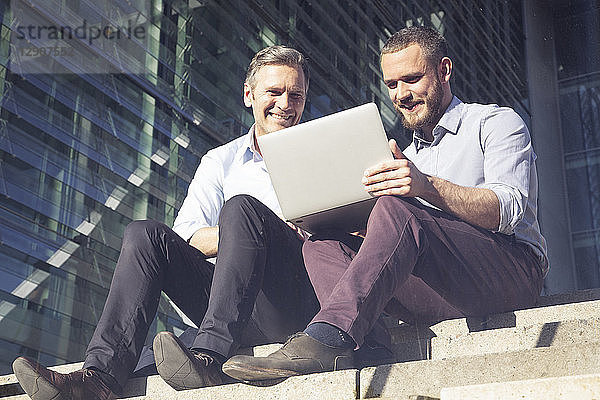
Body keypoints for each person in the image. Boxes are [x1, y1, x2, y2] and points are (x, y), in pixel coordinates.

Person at [221, 26, 548, 381]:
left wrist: (425, 186)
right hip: (440, 290)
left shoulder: (495, 123)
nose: (401, 94)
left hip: (510, 273)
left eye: (411, 79)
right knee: (322, 242)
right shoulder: (400, 156)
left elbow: (510, 209)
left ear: (444, 71)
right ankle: (367, 347)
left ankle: (327, 336)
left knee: (399, 207)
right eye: (392, 85)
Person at [12, 45, 322, 400]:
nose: (286, 103)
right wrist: (246, 233)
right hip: (230, 303)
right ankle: (99, 377)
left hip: (293, 304)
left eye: (295, 94)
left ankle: (209, 357)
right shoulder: (221, 161)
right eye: (274, 92)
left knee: (241, 208)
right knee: (145, 234)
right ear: (249, 95)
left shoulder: (323, 153)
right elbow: (188, 237)